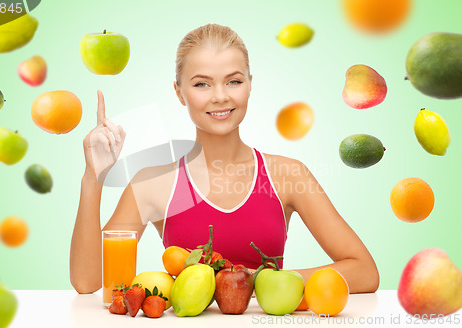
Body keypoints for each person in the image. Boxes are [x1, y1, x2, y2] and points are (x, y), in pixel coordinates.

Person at [70, 24, 379, 295]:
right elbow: (88, 281)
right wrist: (92, 176)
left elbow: (364, 271)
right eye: (201, 83)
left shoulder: (288, 175)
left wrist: (263, 281)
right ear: (179, 93)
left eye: (233, 81)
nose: (220, 96)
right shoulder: (153, 183)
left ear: (249, 84)